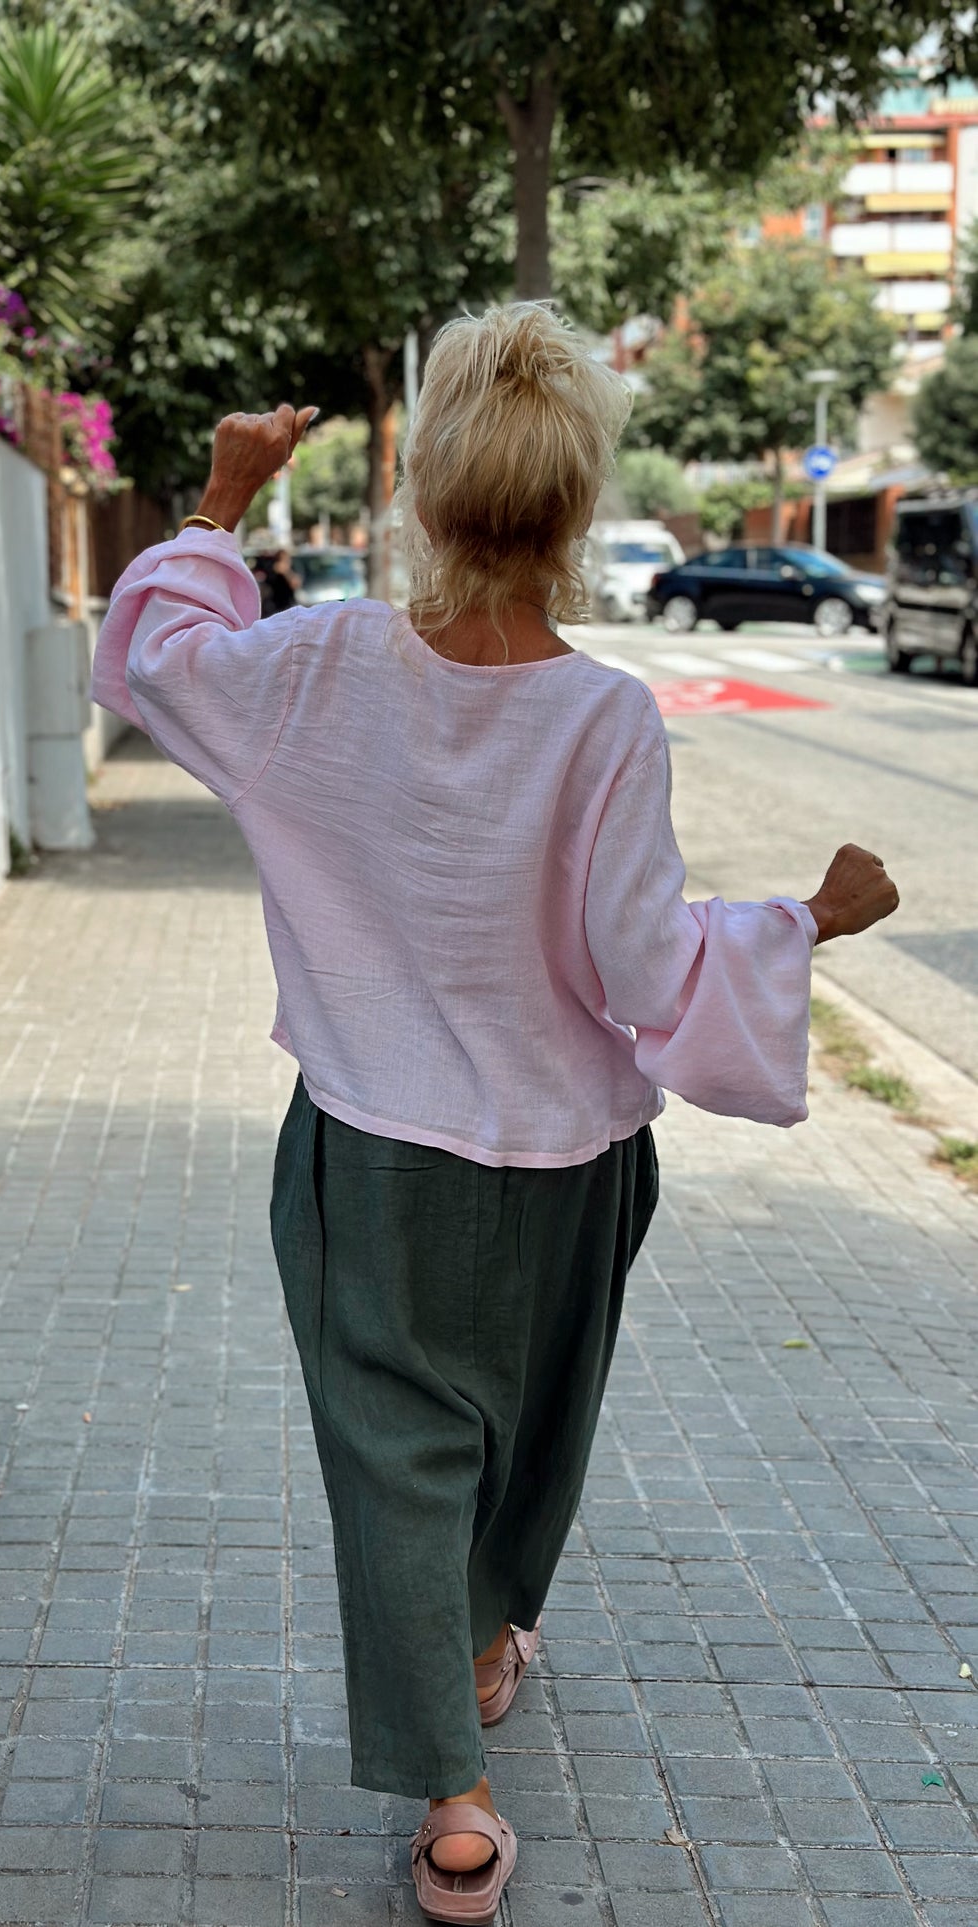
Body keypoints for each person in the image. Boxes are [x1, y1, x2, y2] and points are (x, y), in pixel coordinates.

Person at [91, 304, 898, 1925]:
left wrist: (221, 499)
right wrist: (807, 921)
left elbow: (149, 661)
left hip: (372, 1154)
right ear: (577, 508)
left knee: (396, 1460)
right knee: (529, 1426)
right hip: (567, 1162)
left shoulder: (315, 669)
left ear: (424, 494)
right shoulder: (602, 718)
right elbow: (644, 962)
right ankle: (478, 1644)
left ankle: (451, 1806)